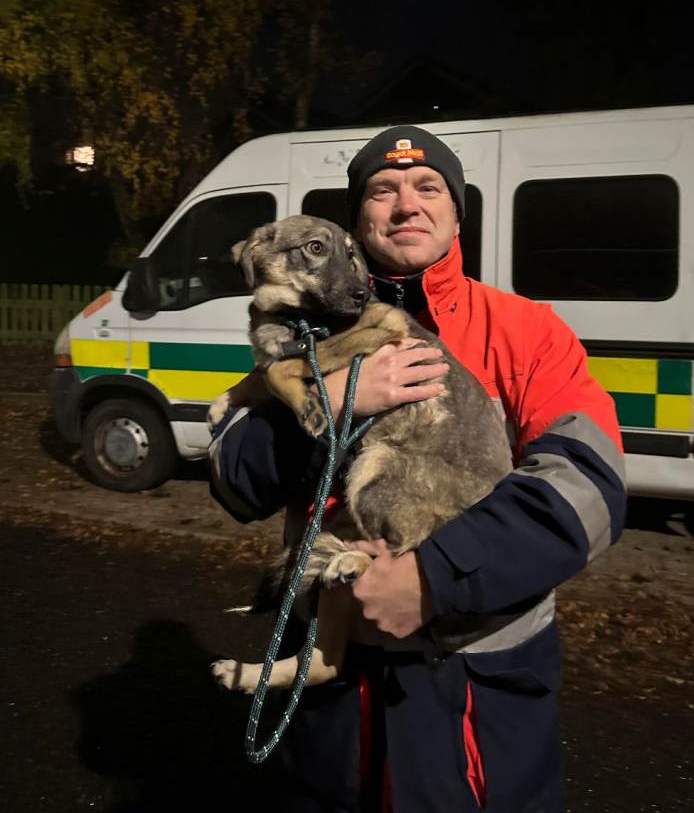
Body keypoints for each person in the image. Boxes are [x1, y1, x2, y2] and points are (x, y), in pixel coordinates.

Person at [210, 125, 626, 812]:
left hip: (469, 688)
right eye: (383, 190)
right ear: (356, 224)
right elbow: (234, 481)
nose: (407, 204)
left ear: (457, 214)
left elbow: (590, 486)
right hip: (329, 692)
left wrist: (435, 577)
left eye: (429, 187)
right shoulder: (304, 331)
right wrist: (333, 403)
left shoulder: (526, 331)